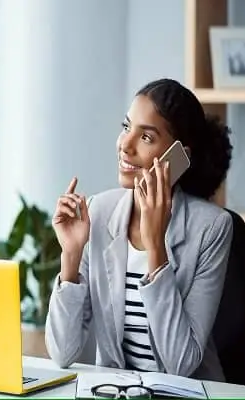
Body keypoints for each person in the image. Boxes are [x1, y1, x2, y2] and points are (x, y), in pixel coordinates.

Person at [45, 78, 234, 381]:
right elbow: (62, 352)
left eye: (146, 137)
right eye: (126, 127)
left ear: (179, 157)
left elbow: (180, 364)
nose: (125, 145)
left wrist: (156, 246)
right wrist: (71, 256)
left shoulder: (211, 228)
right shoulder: (99, 212)